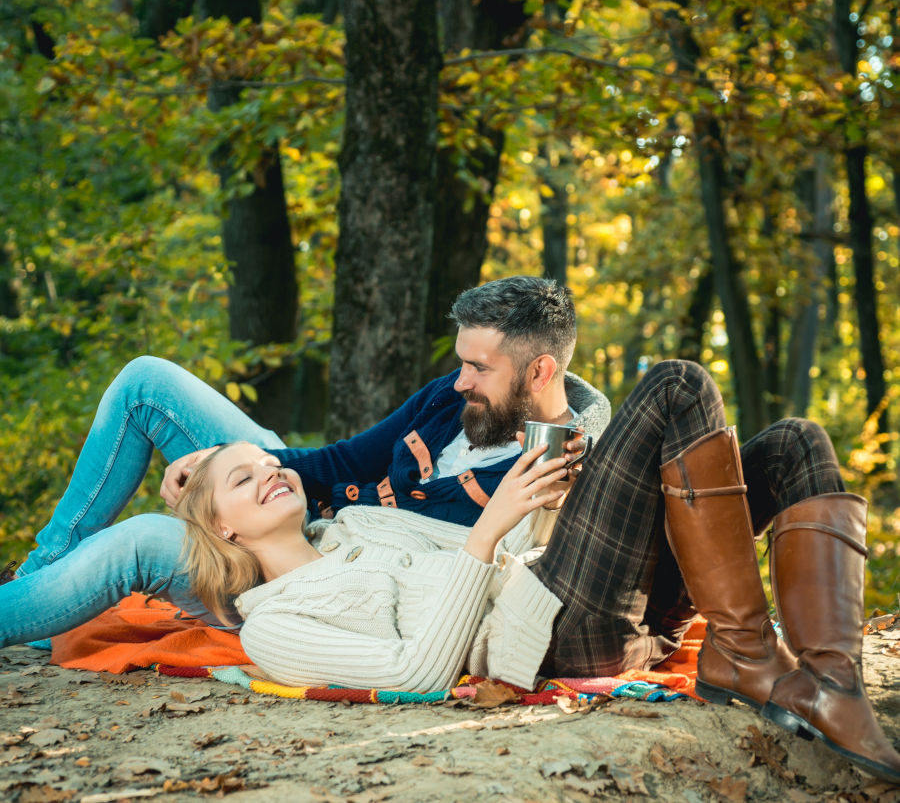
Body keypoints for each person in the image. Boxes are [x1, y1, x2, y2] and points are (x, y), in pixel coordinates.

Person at [173, 360, 900, 785]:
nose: (272, 473)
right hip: (552, 632)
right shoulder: (271, 627)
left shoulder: (354, 525)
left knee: (794, 445)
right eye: (244, 479)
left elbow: (510, 545)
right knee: (675, 386)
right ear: (221, 527)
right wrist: (491, 529)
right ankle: (748, 658)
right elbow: (418, 672)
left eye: (271, 462)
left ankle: (830, 683)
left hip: (572, 585)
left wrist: (549, 494)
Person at [0, 277, 609, 639]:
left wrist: (252, 488)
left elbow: (457, 576)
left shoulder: (552, 469)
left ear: (540, 371)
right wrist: (233, 460)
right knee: (146, 384)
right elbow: (347, 461)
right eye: (461, 362)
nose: (459, 381)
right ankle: (38, 581)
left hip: (315, 570)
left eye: (479, 368)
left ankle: (17, 613)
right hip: (299, 505)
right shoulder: (457, 401)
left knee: (140, 543)